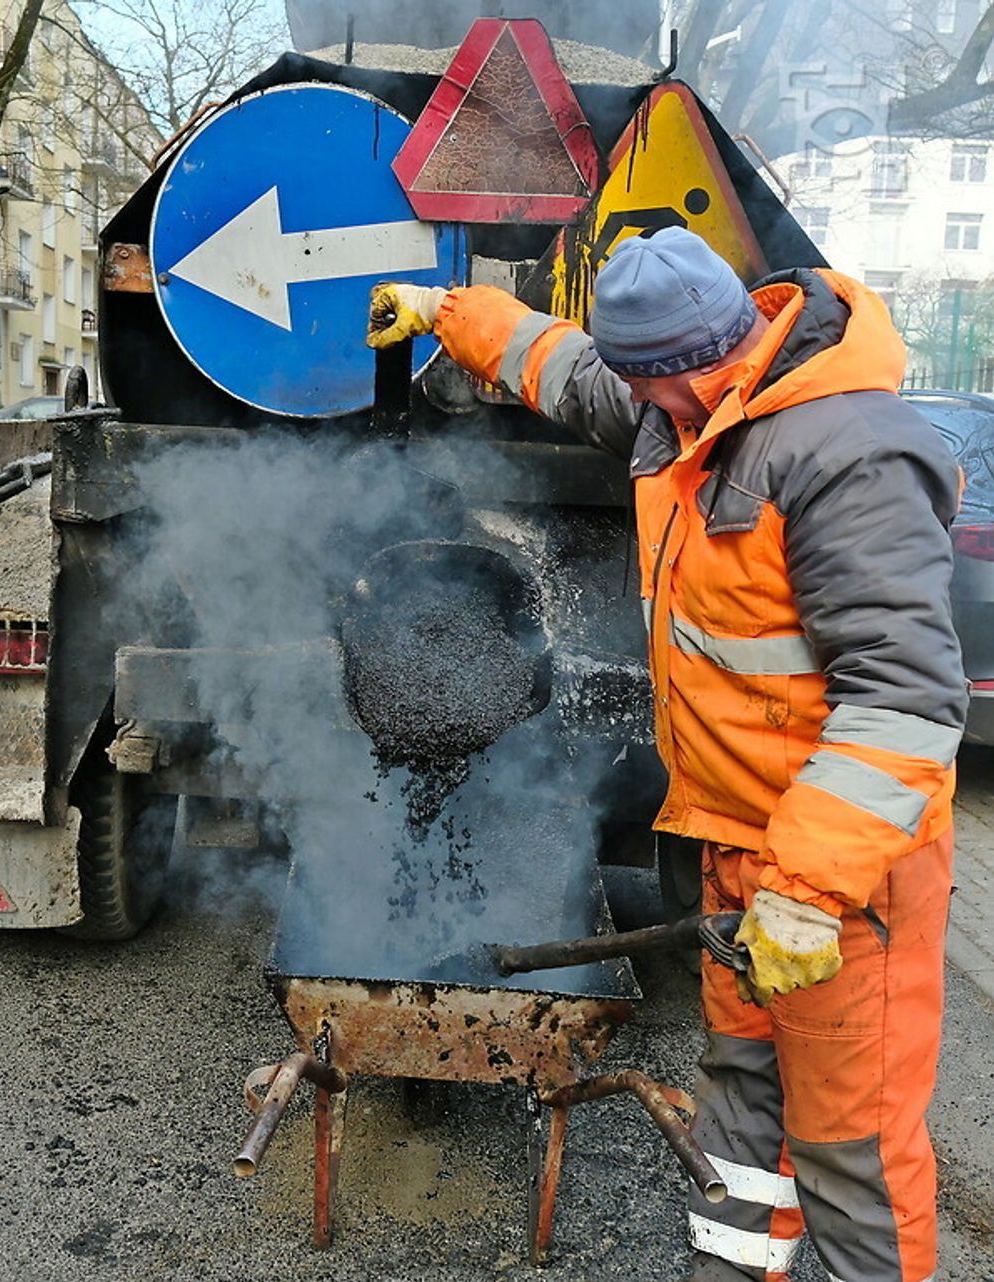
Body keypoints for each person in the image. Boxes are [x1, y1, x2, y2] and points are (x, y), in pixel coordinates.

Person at [367, 227, 967, 1282]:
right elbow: (555, 363)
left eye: (672, 392)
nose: (658, 417)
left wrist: (808, 889)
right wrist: (444, 310)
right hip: (738, 858)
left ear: (725, 349)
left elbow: (906, 700)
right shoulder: (672, 402)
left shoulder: (849, 455)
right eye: (645, 394)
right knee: (739, 1121)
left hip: (843, 886)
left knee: (849, 1154)